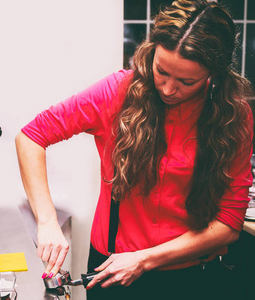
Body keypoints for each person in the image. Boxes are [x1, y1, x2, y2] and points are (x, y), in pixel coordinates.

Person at [15, 0, 254, 299]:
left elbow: (229, 223)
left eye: (187, 81)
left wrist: (145, 259)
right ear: (151, 52)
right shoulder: (118, 92)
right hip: (113, 273)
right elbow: (32, 136)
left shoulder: (234, 115)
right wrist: (48, 223)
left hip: (193, 276)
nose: (168, 89)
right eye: (161, 71)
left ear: (213, 76)